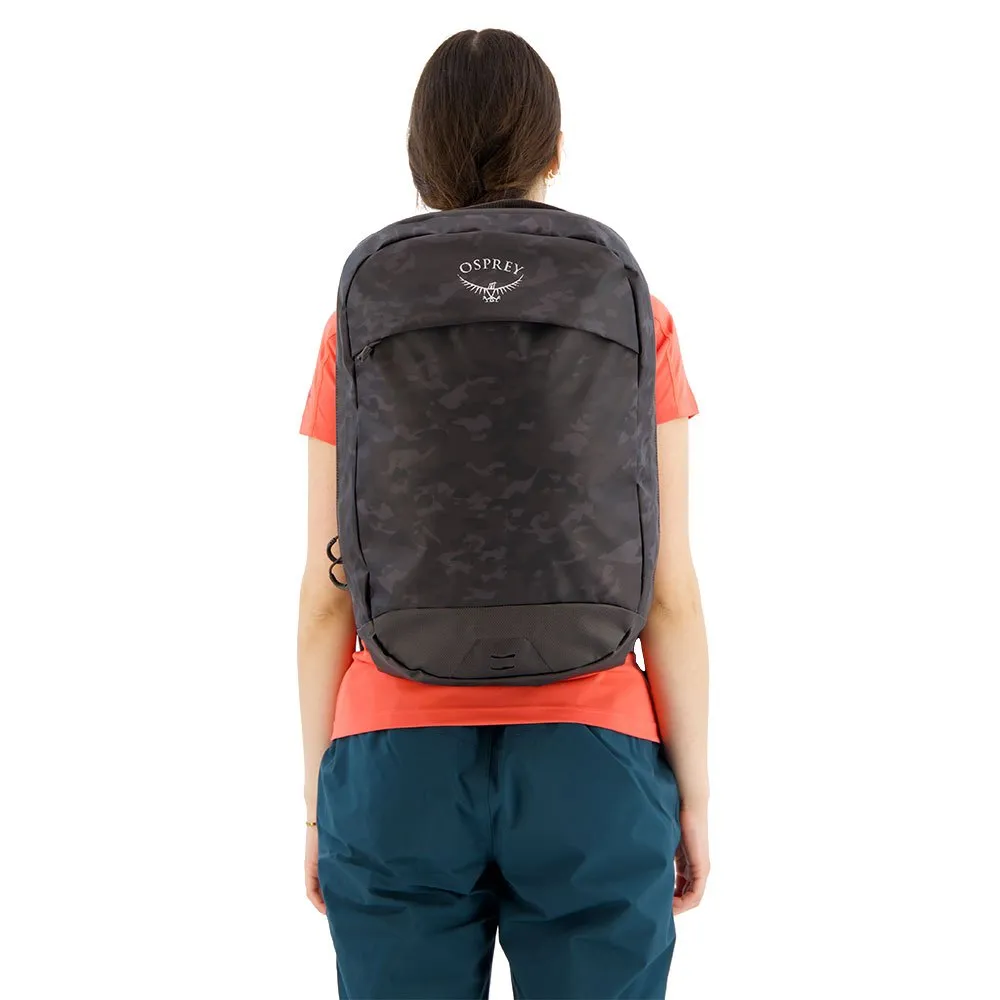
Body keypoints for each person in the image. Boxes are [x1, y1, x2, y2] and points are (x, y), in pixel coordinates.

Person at [297, 28, 709, 999]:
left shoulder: (354, 319)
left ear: (420, 155)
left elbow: (327, 594)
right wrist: (691, 799)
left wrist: (320, 807)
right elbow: (669, 591)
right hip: (594, 756)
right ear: (553, 150)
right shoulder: (636, 310)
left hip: (391, 758)